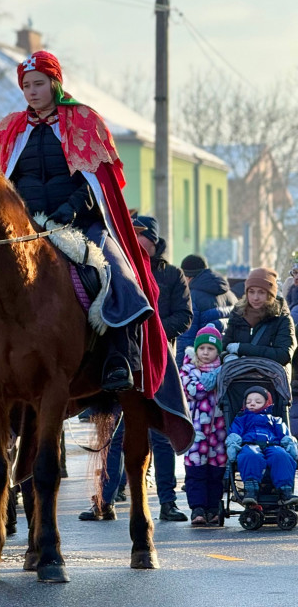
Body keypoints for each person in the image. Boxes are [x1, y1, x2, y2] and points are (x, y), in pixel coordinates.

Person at [0, 50, 165, 394]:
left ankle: (121, 358)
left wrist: (70, 210)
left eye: (39, 83)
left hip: (77, 222)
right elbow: (2, 181)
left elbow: (99, 181)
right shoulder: (10, 127)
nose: (32, 91)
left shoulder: (84, 121)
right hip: (25, 226)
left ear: (55, 83)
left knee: (118, 274)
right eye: (26, 86)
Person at [133, 214, 191, 521]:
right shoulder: (122, 266)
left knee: (162, 431)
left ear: (153, 242)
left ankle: (168, 501)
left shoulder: (172, 274)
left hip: (160, 359)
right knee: (118, 434)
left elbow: (184, 315)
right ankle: (105, 499)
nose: (136, 239)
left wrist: (154, 332)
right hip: (128, 358)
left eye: (141, 235)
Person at [180, 325, 228, 525]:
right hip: (197, 430)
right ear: (196, 350)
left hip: (218, 431)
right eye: (202, 349)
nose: (206, 353)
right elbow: (194, 390)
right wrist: (212, 378)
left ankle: (213, 507)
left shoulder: (224, 371)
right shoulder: (188, 368)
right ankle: (197, 509)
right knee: (196, 470)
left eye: (211, 349)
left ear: (217, 351)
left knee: (216, 472)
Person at [226, 386, 298, 506]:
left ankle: (285, 490)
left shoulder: (275, 420)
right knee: (250, 455)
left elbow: (284, 435)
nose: (252, 404)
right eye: (249, 402)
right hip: (249, 444)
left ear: (267, 403)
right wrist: (233, 446)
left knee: (281, 455)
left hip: (273, 445)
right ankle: (251, 489)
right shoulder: (241, 419)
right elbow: (234, 434)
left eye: (258, 401)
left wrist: (290, 446)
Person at [222, 268, 296, 377]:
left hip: (269, 379)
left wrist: (241, 348)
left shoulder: (282, 318)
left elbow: (283, 355)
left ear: (270, 294)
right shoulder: (238, 313)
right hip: (238, 378)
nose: (255, 298)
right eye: (251, 292)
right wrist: (227, 357)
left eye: (261, 292)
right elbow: (225, 345)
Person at [176, 254, 236, 369]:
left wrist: (181, 368)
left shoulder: (191, 297)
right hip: (225, 362)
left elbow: (187, 338)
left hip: (201, 366)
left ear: (188, 277)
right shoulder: (229, 294)